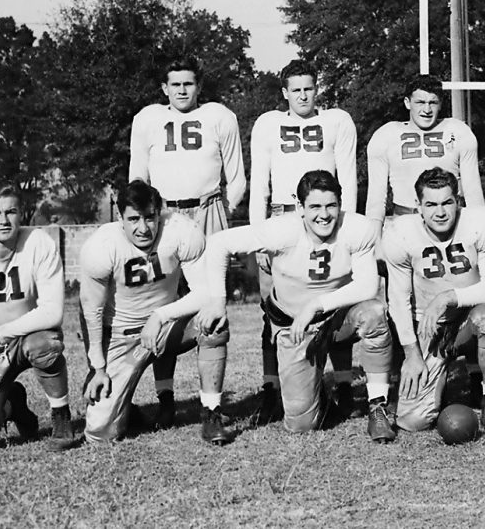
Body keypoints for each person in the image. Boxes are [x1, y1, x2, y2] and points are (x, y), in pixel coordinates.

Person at [206, 170, 395, 441]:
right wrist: (216, 301)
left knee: (374, 313)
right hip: (293, 325)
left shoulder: (356, 228)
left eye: (331, 205)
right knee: (301, 423)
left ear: (340, 206)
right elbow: (218, 243)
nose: (324, 214)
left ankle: (378, 406)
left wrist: (317, 305)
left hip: (337, 318)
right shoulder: (282, 230)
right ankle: (321, 397)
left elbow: (367, 286)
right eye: (315, 206)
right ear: (300, 208)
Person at [128, 55, 246, 427]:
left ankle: (210, 403)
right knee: (165, 299)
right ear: (164, 88)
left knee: (211, 304)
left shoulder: (219, 116)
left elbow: (236, 175)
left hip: (208, 210)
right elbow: (137, 175)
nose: (182, 90)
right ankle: (165, 396)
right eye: (175, 84)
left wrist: (224, 210)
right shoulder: (147, 118)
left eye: (188, 84)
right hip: (164, 216)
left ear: (199, 86)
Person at [80, 180, 233, 445]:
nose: (143, 228)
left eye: (150, 217)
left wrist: (160, 315)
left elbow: (205, 292)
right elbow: (90, 311)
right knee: (100, 433)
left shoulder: (180, 230)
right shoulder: (102, 245)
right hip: (120, 336)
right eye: (134, 219)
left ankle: (211, 411)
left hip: (164, 328)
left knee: (214, 321)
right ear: (120, 218)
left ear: (159, 212)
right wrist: (98, 367)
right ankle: (125, 407)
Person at [249, 60, 358, 424]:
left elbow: (348, 178)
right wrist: (258, 237)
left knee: (335, 302)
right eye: (295, 89)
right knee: (273, 310)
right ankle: (272, 389)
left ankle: (343, 383)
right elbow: (258, 182)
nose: (302, 95)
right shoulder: (268, 124)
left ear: (317, 88)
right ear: (284, 92)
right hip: (282, 217)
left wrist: (348, 227)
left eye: (308, 88)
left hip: (326, 218)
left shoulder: (337, 121)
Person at [384, 167, 485, 436]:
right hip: (429, 326)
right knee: (412, 420)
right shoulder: (400, 232)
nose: (440, 212)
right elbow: (397, 299)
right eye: (431, 204)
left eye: (447, 202)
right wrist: (412, 354)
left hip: (470, 317)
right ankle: (439, 379)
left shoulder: (480, 222)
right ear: (418, 207)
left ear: (458, 201)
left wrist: (449, 297)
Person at [0, 184, 75, 452]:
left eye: (10, 211)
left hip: (28, 338)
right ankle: (12, 403)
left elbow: (52, 312)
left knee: (44, 345)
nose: (4, 219)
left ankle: (61, 415)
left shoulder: (38, 243)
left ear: (22, 213)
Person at [366, 74, 484, 233]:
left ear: (440, 104)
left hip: (450, 222)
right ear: (408, 103)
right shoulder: (387, 134)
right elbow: (376, 199)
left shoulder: (458, 130)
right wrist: (375, 240)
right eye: (420, 102)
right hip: (405, 222)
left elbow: (473, 193)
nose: (427, 110)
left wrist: (479, 230)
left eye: (433, 103)